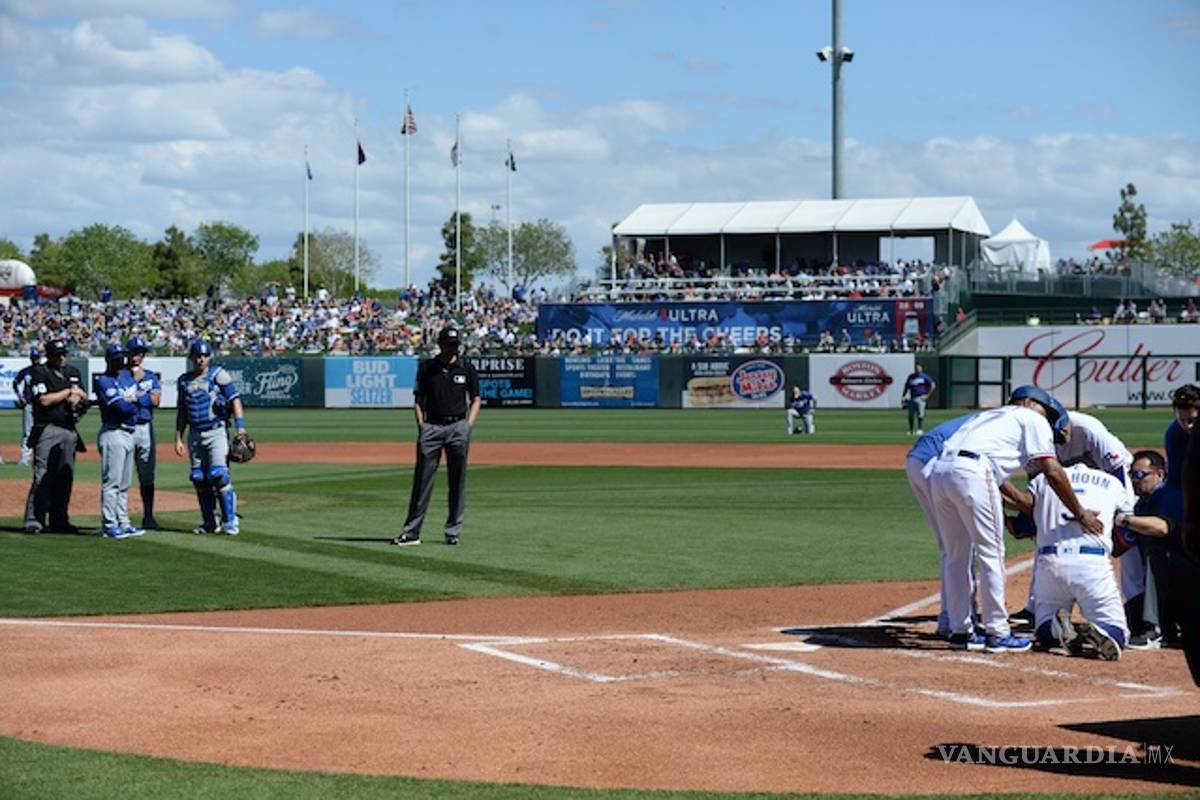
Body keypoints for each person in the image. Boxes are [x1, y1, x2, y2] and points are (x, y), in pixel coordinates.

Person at [928, 386, 1103, 653]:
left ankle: (960, 631)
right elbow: (1053, 470)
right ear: (1030, 403)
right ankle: (998, 632)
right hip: (973, 470)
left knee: (956, 557)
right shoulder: (1032, 417)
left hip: (939, 471)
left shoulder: (988, 417)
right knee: (991, 552)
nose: (1048, 419)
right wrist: (1080, 512)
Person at [1010, 409, 1138, 627]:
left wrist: (1125, 516)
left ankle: (1136, 607)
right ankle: (1035, 607)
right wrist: (1028, 522)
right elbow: (1038, 490)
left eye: (1065, 431)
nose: (1064, 438)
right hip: (1065, 483)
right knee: (1048, 535)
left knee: (1129, 546)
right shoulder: (1034, 437)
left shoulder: (1090, 430)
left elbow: (1118, 469)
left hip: (1107, 480)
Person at [1005, 463, 1133, 661]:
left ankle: (1057, 629)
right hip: (1091, 564)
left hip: (1050, 564)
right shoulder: (1113, 483)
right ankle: (1100, 631)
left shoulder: (1041, 480)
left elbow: (1022, 524)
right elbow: (1126, 531)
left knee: (1042, 631)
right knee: (1118, 633)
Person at [393, 326, 480, 547]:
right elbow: (418, 400)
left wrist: (468, 425)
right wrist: (422, 425)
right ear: (440, 345)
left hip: (457, 426)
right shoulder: (427, 368)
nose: (453, 349)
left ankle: (453, 531)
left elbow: (477, 398)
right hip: (431, 427)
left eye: (455, 345)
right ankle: (412, 532)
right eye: (449, 345)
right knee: (422, 481)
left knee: (457, 482)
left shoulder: (466, 368)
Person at [905, 412, 977, 638]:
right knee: (958, 546)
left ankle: (951, 616)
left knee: (952, 546)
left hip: (919, 462)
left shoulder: (984, 419)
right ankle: (953, 618)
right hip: (932, 464)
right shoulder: (996, 426)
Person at [174, 340, 247, 535]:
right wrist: (178, 438)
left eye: (204, 356)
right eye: (197, 355)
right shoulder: (183, 380)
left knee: (219, 475)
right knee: (199, 478)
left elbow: (235, 400)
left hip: (216, 430)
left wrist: (241, 428)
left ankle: (230, 521)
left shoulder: (218, 375)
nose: (200, 359)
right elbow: (182, 411)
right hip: (195, 433)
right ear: (191, 357)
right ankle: (209, 522)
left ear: (209, 357)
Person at [1120, 450, 1185, 649]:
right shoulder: (1142, 505)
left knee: (1156, 554)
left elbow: (1161, 528)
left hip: (1186, 568)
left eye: (1140, 475)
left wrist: (1125, 520)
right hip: (1175, 574)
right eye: (1132, 475)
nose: (1135, 480)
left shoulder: (1170, 496)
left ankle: (1157, 629)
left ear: (1159, 474)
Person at [23, 340, 88, 534]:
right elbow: (43, 399)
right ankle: (34, 519)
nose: (62, 357)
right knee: (42, 474)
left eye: (63, 354)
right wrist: (68, 392)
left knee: (65, 475)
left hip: (69, 429)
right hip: (47, 428)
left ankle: (60, 519)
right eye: (57, 354)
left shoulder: (73, 372)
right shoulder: (40, 372)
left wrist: (79, 397)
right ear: (49, 355)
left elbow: (83, 395)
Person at [93, 343, 142, 539]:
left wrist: (134, 401)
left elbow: (144, 401)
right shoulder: (103, 380)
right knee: (112, 483)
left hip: (129, 433)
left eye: (121, 356)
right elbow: (121, 407)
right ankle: (109, 524)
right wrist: (134, 402)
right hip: (113, 432)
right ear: (109, 359)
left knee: (124, 484)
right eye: (116, 357)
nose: (120, 360)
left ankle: (123, 521)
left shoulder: (126, 377)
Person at [127, 336, 163, 529]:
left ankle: (148, 516)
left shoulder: (150, 376)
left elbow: (156, 400)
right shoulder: (121, 374)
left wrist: (135, 398)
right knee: (122, 475)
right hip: (126, 428)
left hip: (145, 428)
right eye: (135, 352)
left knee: (147, 476)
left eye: (141, 353)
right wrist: (144, 397)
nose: (138, 356)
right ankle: (119, 517)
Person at [1165, 384, 1199, 492]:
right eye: (1182, 420)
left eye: (1192, 420)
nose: (1188, 426)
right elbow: (1175, 478)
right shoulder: (1174, 433)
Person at [13, 346, 42, 466]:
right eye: (34, 358)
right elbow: (15, 383)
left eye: (37, 357)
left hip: (41, 405)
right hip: (29, 404)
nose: (35, 360)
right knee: (27, 431)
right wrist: (20, 396)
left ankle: (41, 456)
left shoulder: (44, 370)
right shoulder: (26, 371)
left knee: (42, 430)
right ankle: (25, 457)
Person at [901, 363, 936, 435]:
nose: (917, 369)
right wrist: (903, 396)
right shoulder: (911, 377)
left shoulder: (924, 377)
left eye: (919, 368)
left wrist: (927, 395)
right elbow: (906, 386)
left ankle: (920, 429)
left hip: (921, 397)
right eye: (916, 368)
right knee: (911, 415)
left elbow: (933, 385)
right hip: (912, 397)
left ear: (921, 369)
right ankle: (911, 430)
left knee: (920, 414)